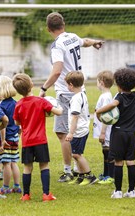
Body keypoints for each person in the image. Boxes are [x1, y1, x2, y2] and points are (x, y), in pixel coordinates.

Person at [39, 12, 104, 182]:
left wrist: (44, 88)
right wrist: (95, 42)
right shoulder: (73, 37)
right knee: (74, 129)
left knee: (63, 133)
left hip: (67, 93)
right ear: (64, 24)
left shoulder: (57, 45)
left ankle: (68, 171)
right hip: (80, 90)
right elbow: (86, 41)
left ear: (48, 29)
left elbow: (57, 71)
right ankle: (76, 167)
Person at [96, 68, 135, 199]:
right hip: (131, 134)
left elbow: (112, 105)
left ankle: (118, 191)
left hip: (118, 133)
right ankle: (131, 191)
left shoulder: (119, 97)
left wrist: (98, 112)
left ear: (119, 85)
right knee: (131, 162)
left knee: (118, 162)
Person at [12, 73, 63, 201]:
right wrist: (60, 108)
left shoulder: (19, 104)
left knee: (27, 167)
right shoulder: (40, 101)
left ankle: (25, 195)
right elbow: (57, 112)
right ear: (32, 85)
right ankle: (46, 194)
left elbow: (16, 122)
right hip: (40, 140)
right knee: (44, 165)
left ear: (17, 91)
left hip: (27, 141)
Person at [64, 71, 98, 186]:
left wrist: (70, 133)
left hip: (78, 131)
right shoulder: (82, 94)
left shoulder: (76, 99)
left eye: (67, 84)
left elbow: (75, 117)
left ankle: (90, 176)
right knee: (75, 154)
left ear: (71, 85)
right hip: (82, 129)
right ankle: (81, 176)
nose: (67, 87)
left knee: (77, 155)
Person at [0, 75, 22, 195]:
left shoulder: (1, 106)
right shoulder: (16, 103)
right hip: (15, 137)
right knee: (14, 162)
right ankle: (17, 186)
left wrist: (1, 140)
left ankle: (5, 187)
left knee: (6, 163)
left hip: (6, 138)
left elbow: (2, 125)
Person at [92, 70, 115, 184]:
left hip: (105, 131)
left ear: (101, 82)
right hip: (103, 130)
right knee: (105, 151)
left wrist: (102, 132)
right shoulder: (105, 96)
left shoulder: (105, 97)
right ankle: (106, 174)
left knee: (108, 152)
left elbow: (107, 116)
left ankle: (110, 175)